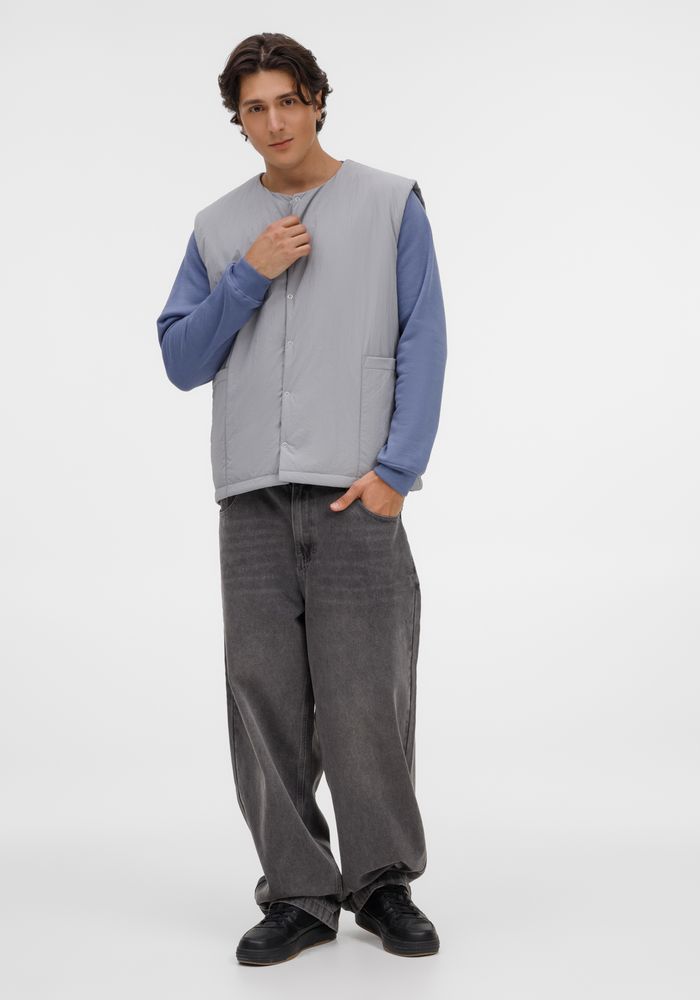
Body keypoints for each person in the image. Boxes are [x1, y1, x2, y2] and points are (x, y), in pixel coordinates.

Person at [156, 32, 447, 966]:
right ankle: (299, 892)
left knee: (366, 697)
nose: (275, 121)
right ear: (237, 121)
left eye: (289, 100)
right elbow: (181, 359)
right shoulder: (218, 227)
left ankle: (382, 882)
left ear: (318, 100)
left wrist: (397, 472)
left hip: (356, 493)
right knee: (264, 698)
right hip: (250, 497)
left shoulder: (390, 203)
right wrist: (250, 273)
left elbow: (424, 339)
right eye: (255, 108)